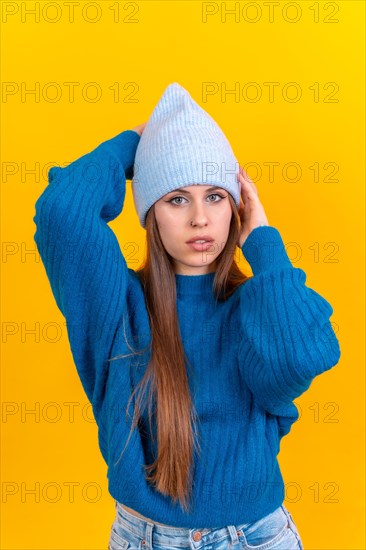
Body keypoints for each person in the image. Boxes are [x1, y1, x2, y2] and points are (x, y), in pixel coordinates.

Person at [33, 83, 341, 550]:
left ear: (236, 207)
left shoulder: (254, 308)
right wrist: (137, 142)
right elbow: (61, 211)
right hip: (145, 537)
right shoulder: (119, 307)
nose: (200, 218)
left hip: (257, 537)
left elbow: (306, 354)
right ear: (151, 212)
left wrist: (263, 239)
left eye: (215, 196)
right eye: (176, 198)